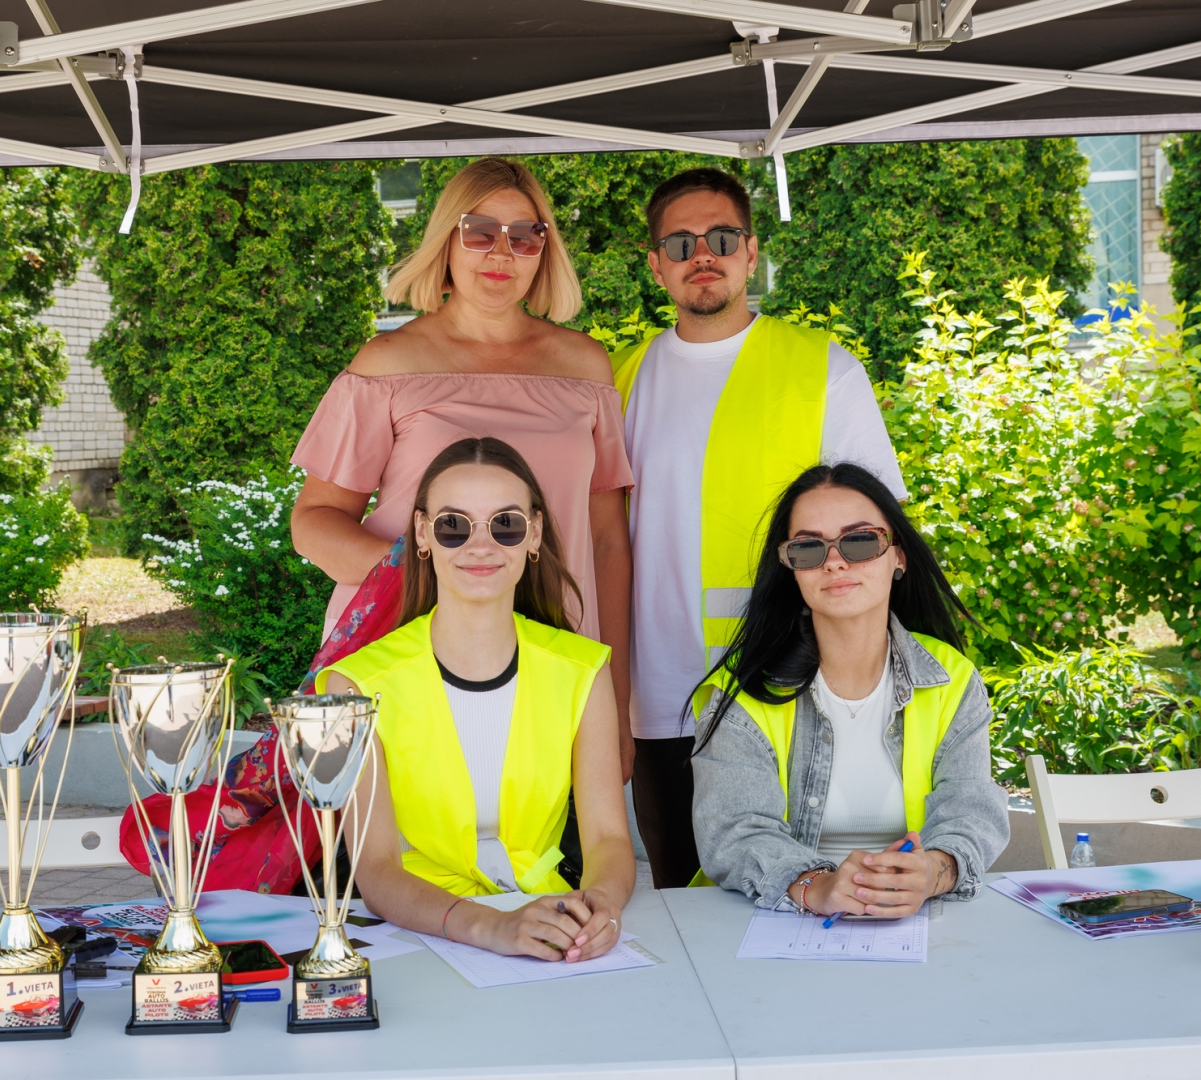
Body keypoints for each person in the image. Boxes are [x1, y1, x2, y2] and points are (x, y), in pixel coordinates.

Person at [291, 157, 635, 779]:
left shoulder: (585, 366)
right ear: (446, 240)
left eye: (525, 235)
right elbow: (314, 522)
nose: (502, 252)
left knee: (553, 840)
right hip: (407, 657)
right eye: (479, 232)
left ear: (544, 251)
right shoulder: (388, 362)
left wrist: (615, 696)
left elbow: (608, 541)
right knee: (401, 839)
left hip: (554, 661)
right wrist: (434, 581)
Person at [612, 167, 908, 887]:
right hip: (661, 695)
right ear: (655, 264)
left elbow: (879, 538)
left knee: (806, 891)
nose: (701, 255)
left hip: (795, 684)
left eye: (722, 238)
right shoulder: (616, 381)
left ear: (751, 252)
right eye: (680, 243)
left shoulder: (824, 371)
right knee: (684, 901)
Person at [318, 438, 635, 961]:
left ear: (534, 533)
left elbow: (608, 841)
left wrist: (600, 906)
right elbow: (376, 869)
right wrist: (491, 927)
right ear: (423, 534)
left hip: (549, 926)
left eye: (505, 524)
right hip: (415, 934)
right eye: (454, 526)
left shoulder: (584, 669)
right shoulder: (355, 684)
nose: (481, 546)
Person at [690, 463, 1009, 914]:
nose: (835, 562)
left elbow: (971, 809)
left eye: (859, 541)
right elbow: (734, 832)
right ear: (790, 568)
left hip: (919, 923)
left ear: (898, 557)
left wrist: (932, 872)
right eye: (808, 548)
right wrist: (817, 886)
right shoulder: (740, 691)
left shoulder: (952, 678)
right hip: (770, 922)